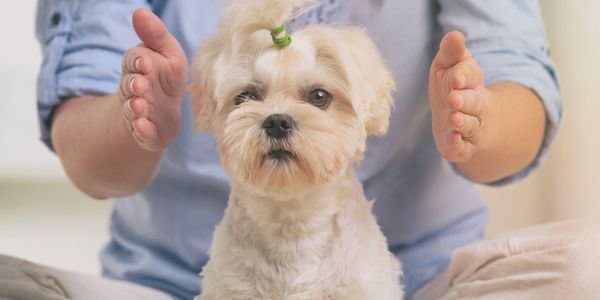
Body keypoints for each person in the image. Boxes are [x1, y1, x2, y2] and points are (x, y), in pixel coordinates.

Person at [5, 0, 596, 299]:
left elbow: (519, 81)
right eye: (248, 97)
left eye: (317, 96)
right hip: (167, 280)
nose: (279, 119)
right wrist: (131, 120)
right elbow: (86, 151)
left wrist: (476, 120)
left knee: (584, 262)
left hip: (426, 278)